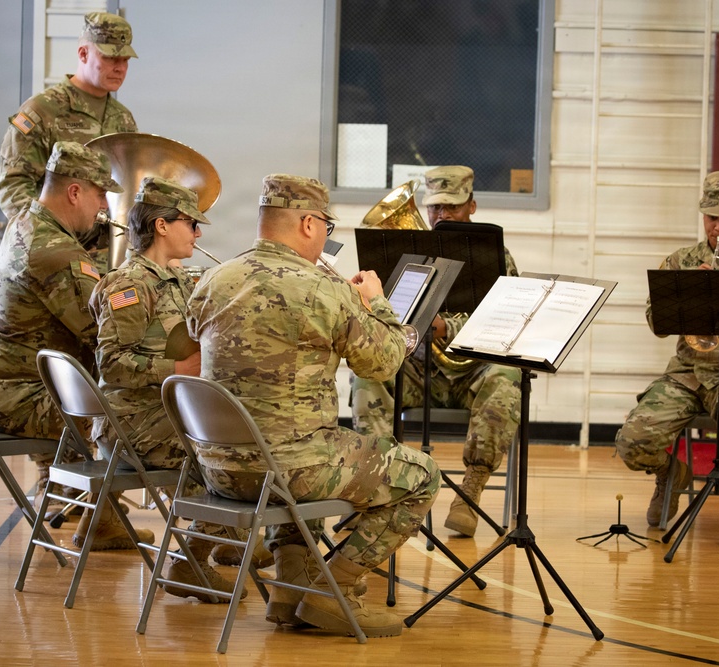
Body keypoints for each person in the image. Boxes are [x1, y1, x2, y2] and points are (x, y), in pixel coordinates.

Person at [186, 174, 440, 638]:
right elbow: (382, 363)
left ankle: (289, 591)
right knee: (421, 475)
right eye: (326, 223)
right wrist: (377, 304)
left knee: (317, 444)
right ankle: (333, 591)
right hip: (287, 470)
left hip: (219, 470)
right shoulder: (325, 289)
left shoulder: (212, 279)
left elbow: (182, 351)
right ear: (307, 223)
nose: (327, 233)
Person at [0, 141, 151, 550]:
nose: (103, 206)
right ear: (74, 192)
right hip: (19, 399)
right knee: (137, 411)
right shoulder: (55, 251)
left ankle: (98, 517)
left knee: (111, 397)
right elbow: (105, 333)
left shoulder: (24, 223)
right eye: (100, 193)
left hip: (0, 387)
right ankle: (209, 532)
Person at [88, 176, 266, 598]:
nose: (199, 233)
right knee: (235, 454)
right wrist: (179, 365)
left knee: (255, 436)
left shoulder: (181, 279)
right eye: (191, 223)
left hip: (167, 416)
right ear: (162, 226)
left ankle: (225, 541)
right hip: (133, 423)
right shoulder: (128, 285)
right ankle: (190, 562)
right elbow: (111, 364)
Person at [351, 165, 523, 538]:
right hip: (420, 372)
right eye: (436, 208)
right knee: (368, 375)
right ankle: (376, 488)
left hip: (471, 374)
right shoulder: (404, 253)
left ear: (472, 206)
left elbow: (506, 325)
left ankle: (471, 491)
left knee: (507, 377)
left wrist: (447, 328)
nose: (442, 215)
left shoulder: (497, 257)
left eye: (453, 207)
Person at [615, 169, 719, 548]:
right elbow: (657, 323)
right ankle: (671, 473)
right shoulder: (681, 260)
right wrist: (688, 292)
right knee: (632, 441)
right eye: (712, 217)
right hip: (687, 373)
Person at [0, 11, 138, 268]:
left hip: (107, 262)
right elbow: (12, 186)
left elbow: (125, 188)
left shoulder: (123, 119)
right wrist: (50, 239)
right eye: (110, 57)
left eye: (125, 59)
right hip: (52, 262)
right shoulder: (43, 110)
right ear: (83, 54)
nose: (119, 67)